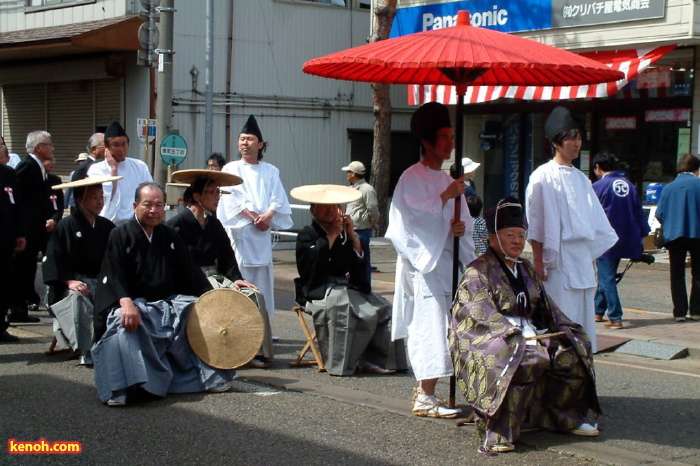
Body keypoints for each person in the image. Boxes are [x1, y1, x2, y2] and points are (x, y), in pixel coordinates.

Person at [450, 197, 601, 455]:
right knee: (525, 359)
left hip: (530, 331)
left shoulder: (526, 268)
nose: (517, 241)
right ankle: (497, 429)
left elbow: (545, 306)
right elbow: (476, 315)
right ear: (492, 238)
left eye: (521, 235)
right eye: (509, 234)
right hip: (493, 337)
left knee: (571, 350)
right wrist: (511, 334)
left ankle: (562, 416)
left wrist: (565, 328)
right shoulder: (477, 271)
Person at [91, 182, 234, 406]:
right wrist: (126, 302)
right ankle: (122, 389)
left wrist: (209, 297)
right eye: (147, 204)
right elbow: (113, 273)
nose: (154, 210)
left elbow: (190, 271)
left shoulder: (167, 235)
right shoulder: (120, 234)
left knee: (195, 311)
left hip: (165, 303)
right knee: (123, 323)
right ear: (135, 205)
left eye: (159, 205)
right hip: (131, 304)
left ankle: (209, 378)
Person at [385, 101, 475, 418]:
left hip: (447, 262)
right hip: (425, 265)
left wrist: (460, 228)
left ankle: (434, 391)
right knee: (429, 326)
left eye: (452, 137)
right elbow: (409, 222)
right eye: (444, 137)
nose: (450, 144)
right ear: (427, 141)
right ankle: (425, 394)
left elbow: (460, 220)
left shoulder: (447, 179)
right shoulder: (412, 177)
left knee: (447, 327)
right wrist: (444, 198)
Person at [525, 106, 617, 352]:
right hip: (558, 258)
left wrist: (591, 256)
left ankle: (581, 379)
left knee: (583, 324)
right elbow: (537, 221)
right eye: (570, 137)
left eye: (578, 137)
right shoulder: (542, 176)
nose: (576, 143)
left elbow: (596, 221)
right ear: (556, 141)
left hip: (582, 259)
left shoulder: (582, 178)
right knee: (560, 322)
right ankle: (558, 378)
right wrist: (537, 259)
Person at [294, 184, 406, 376]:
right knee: (344, 308)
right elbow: (311, 264)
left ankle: (378, 360)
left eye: (334, 206)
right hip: (319, 287)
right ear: (313, 210)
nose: (330, 210)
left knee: (384, 308)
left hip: (344, 285)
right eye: (324, 206)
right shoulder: (307, 234)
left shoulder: (344, 233)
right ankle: (342, 363)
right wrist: (333, 235)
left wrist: (351, 233)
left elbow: (357, 262)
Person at [166, 169, 274, 367]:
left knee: (252, 295)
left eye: (218, 193)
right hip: (189, 280)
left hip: (215, 276)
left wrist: (236, 278)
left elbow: (227, 257)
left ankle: (253, 351)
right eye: (212, 193)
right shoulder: (176, 224)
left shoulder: (215, 225)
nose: (217, 198)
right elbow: (173, 264)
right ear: (197, 197)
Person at [217, 115, 293, 320]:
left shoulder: (270, 170)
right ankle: (238, 323)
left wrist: (268, 216)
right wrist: (252, 217)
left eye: (249, 139)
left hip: (262, 233)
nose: (245, 143)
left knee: (264, 279)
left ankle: (263, 326)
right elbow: (229, 197)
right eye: (242, 139)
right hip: (240, 232)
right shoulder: (231, 168)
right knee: (239, 275)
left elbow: (278, 198)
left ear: (260, 144)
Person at [42, 175, 118, 364]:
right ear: (79, 200)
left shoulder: (106, 226)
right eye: (94, 197)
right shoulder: (66, 226)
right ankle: (86, 348)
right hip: (70, 282)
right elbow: (54, 260)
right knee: (78, 298)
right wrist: (69, 281)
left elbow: (116, 259)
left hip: (100, 280)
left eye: (102, 196)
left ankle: (115, 344)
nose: (100, 202)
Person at [592, 151, 650, 328]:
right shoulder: (629, 186)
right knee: (606, 275)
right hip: (626, 237)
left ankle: (615, 316)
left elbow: (589, 214)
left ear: (598, 167)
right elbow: (639, 212)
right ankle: (597, 310)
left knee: (607, 278)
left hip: (606, 239)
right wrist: (641, 235)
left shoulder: (598, 187)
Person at [10, 130, 57, 323]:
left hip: (36, 228)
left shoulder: (39, 168)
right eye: (49, 145)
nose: (52, 149)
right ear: (39, 147)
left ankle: (21, 307)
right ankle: (16, 308)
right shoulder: (27, 166)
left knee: (29, 269)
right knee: (20, 269)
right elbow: (18, 198)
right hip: (27, 228)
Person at [655, 153, 700, 322]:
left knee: (677, 274)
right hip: (697, 234)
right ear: (696, 169)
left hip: (674, 235)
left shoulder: (668, 188)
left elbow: (660, 214)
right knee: (698, 273)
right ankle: (697, 311)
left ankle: (680, 312)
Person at [87, 121, 152, 225]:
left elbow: (150, 193)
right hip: (108, 223)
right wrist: (113, 169)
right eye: (116, 145)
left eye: (124, 144)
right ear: (107, 148)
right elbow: (107, 198)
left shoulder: (140, 166)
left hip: (135, 223)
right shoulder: (96, 169)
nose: (121, 149)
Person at [341, 160, 380, 285]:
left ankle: (365, 286)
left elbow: (373, 208)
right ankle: (354, 284)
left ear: (353, 174)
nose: (346, 174)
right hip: (349, 229)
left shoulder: (367, 189)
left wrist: (372, 222)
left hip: (361, 229)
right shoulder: (351, 189)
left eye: (348, 172)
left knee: (363, 259)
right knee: (351, 259)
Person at [0, 161, 26, 342]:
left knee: (5, 285)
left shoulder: (8, 173)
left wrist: (20, 233)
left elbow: (17, 205)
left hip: (5, 238)